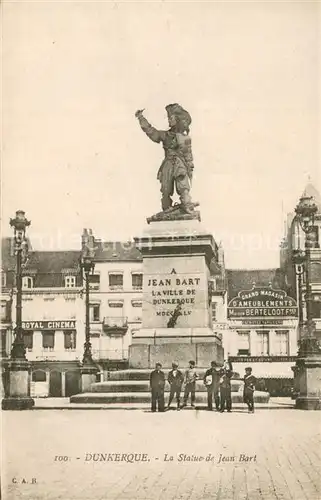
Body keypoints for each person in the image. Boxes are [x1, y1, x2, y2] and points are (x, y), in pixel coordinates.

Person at [135, 104, 195, 214]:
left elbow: (188, 156)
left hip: (180, 164)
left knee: (183, 187)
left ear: (177, 120)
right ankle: (166, 209)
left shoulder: (185, 138)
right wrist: (141, 119)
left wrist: (190, 170)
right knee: (165, 189)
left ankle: (187, 206)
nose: (168, 120)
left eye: (171, 118)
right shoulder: (165, 135)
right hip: (167, 164)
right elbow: (152, 132)